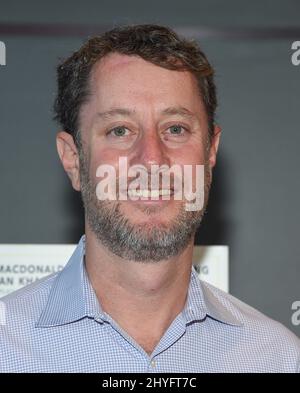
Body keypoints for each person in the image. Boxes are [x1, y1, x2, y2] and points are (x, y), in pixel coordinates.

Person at [0, 24, 299, 373]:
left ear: (210, 151)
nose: (152, 159)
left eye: (175, 128)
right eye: (120, 130)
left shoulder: (279, 360)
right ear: (72, 158)